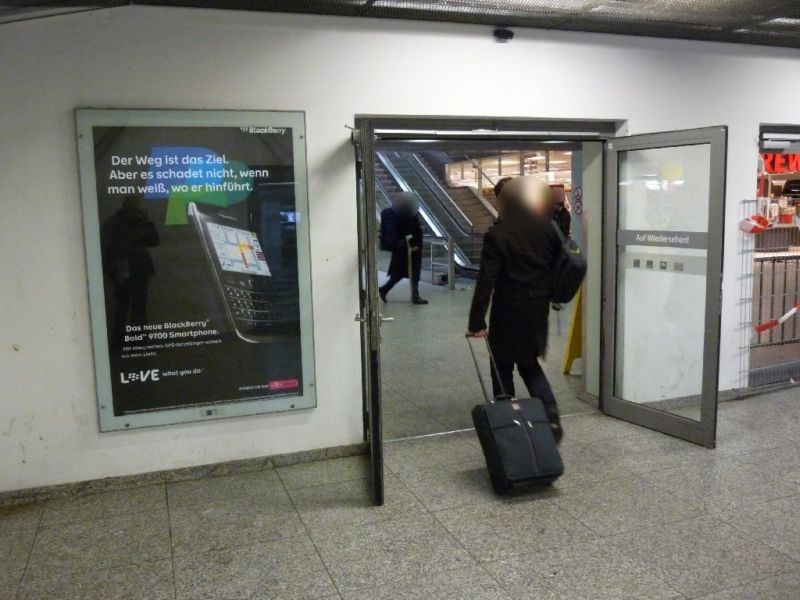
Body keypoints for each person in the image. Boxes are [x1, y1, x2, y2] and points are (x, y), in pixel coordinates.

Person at [467, 176, 563, 442]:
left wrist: (477, 321)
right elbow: (559, 265)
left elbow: (487, 280)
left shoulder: (499, 234)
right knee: (529, 364)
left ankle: (507, 419)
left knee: (501, 364)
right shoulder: (547, 229)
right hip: (537, 308)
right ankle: (550, 414)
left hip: (508, 309)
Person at [101, 195, 160, 352]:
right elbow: (110, 245)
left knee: (134, 308)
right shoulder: (116, 222)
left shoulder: (121, 221)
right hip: (127, 268)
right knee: (125, 307)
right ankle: (124, 344)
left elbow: (154, 240)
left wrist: (144, 222)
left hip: (135, 268)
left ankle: (132, 343)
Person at [379, 192, 428, 305]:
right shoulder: (399, 215)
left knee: (407, 273)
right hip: (406, 248)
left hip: (411, 248)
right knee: (402, 273)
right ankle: (385, 290)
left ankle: (414, 295)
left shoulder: (405, 213)